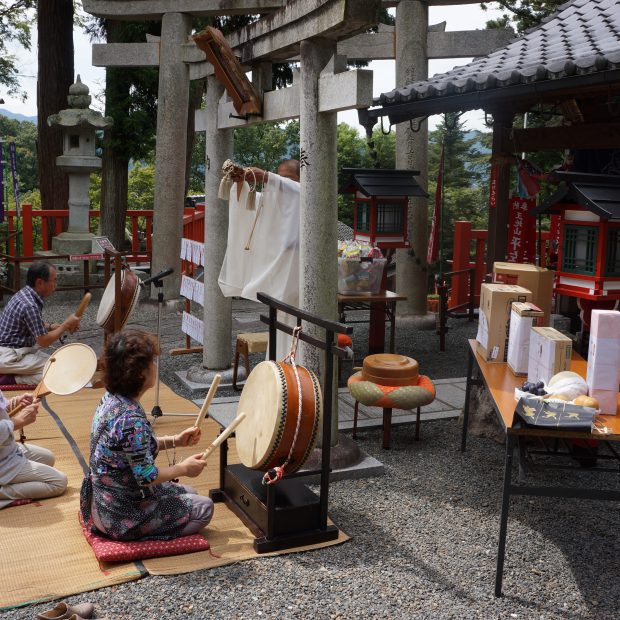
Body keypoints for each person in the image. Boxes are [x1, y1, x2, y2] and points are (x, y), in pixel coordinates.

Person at [80, 329, 213, 541]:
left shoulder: (112, 399)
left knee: (190, 492)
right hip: (122, 513)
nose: (156, 366)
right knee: (204, 508)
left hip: (104, 500)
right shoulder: (130, 419)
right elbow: (147, 476)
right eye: (152, 362)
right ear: (140, 373)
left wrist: (176, 440)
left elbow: (131, 451)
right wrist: (184, 468)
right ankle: (141, 537)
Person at [218, 159, 301, 360]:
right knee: (281, 320)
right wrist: (241, 183)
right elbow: (251, 204)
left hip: (300, 268)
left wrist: (266, 176)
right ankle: (281, 369)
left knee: (299, 320)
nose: (280, 183)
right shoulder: (274, 201)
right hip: (284, 269)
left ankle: (301, 370)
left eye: (287, 178)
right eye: (279, 177)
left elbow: (299, 191)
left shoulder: (307, 194)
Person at [0, 261, 81, 385]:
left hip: (16, 351)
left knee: (57, 362)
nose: (56, 285)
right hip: (8, 356)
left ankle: (16, 372)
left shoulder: (25, 294)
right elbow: (43, 341)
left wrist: (51, 327)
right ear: (39, 282)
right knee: (57, 371)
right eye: (53, 280)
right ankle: (9, 379)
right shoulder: (29, 305)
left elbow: (31, 326)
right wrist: (65, 325)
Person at [0, 391, 68, 509]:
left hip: (7, 450)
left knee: (48, 458)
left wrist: (15, 403)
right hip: (3, 463)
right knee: (59, 482)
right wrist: (18, 421)